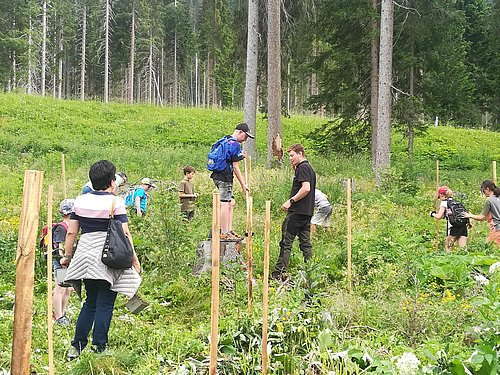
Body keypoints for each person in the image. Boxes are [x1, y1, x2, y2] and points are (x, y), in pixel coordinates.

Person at [61, 160, 141, 360]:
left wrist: (67, 257)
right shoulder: (115, 202)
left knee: (90, 302)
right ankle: (99, 348)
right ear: (112, 181)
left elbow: (71, 232)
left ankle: (76, 347)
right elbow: (125, 233)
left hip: (85, 255)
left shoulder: (80, 200)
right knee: (105, 303)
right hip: (108, 255)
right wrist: (134, 258)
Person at [272, 144, 316, 281]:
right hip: (307, 212)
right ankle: (311, 274)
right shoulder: (309, 169)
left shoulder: (303, 167)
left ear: (300, 154)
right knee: (305, 244)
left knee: (286, 242)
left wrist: (291, 201)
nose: (290, 158)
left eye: (292, 155)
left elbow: (306, 188)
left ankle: (278, 274)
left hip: (296, 212)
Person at [210, 123, 253, 239]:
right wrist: (243, 184)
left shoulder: (225, 140)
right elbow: (236, 167)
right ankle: (225, 232)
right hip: (224, 177)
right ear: (240, 132)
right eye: (245, 136)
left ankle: (229, 229)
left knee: (231, 202)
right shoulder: (234, 144)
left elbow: (231, 159)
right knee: (225, 203)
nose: (245, 139)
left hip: (218, 175)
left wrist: (240, 157)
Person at [50, 199, 75, 325]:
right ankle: (58, 316)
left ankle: (62, 313)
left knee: (68, 288)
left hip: (67, 261)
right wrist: (64, 259)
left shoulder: (70, 226)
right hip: (60, 262)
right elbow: (59, 246)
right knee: (60, 288)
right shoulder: (62, 227)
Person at [430, 186, 469, 252]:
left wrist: (432, 214)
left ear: (441, 195)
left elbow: (439, 216)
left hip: (453, 227)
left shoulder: (444, 202)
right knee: (463, 249)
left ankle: (448, 261)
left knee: (448, 248)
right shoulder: (456, 202)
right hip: (463, 226)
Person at [463, 180, 500, 246]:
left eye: (483, 190)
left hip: (497, 228)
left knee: (488, 246)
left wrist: (469, 215)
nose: (483, 192)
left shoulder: (489, 200)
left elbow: (482, 217)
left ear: (487, 189)